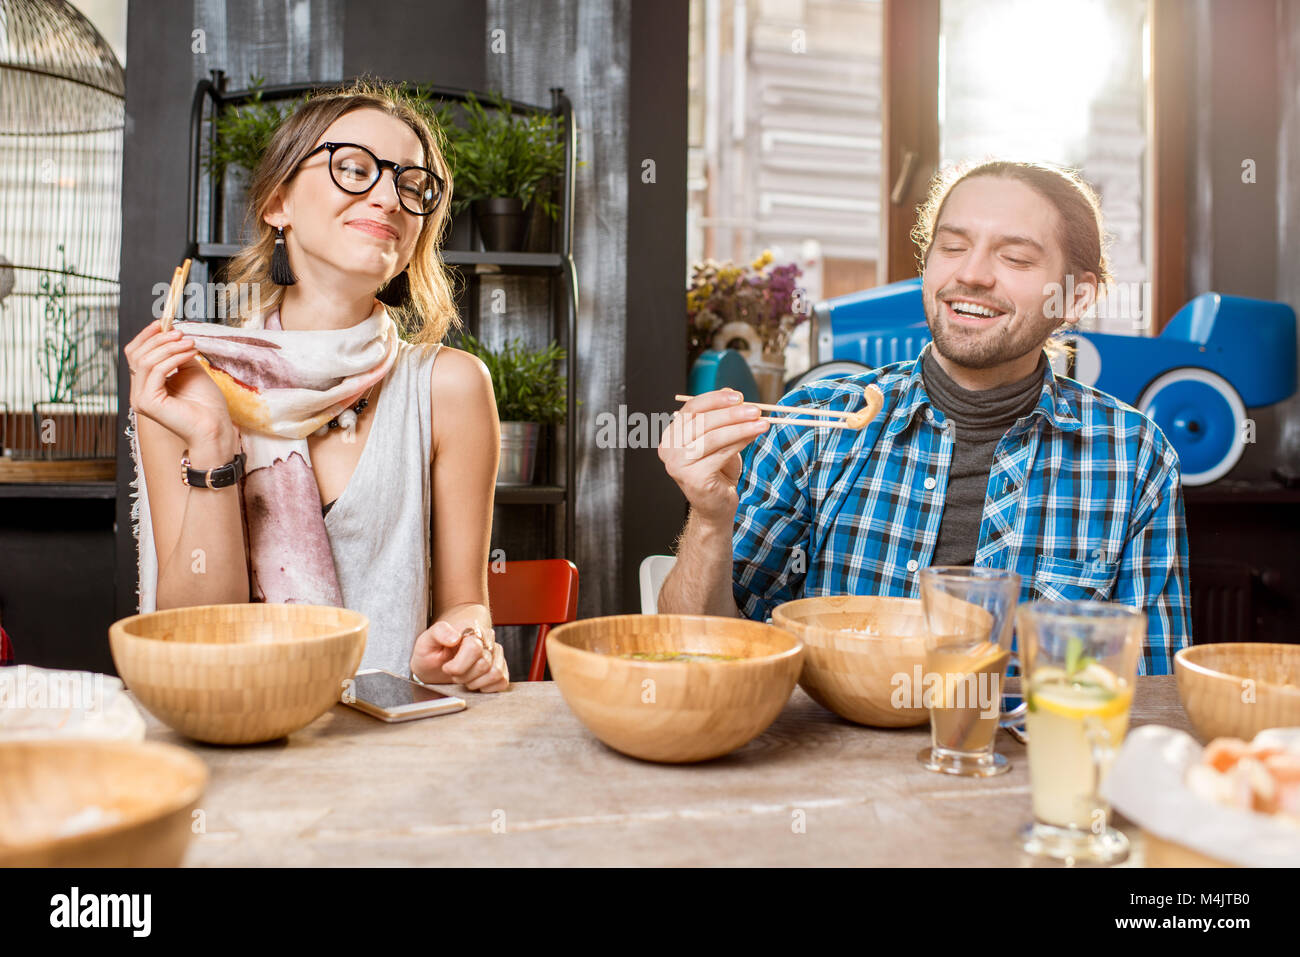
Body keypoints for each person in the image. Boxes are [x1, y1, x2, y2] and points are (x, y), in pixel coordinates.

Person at [659, 160, 1191, 675]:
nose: (971, 274)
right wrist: (709, 519)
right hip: (829, 760)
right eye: (953, 247)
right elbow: (701, 649)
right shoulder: (816, 424)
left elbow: (1149, 692)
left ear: (1077, 297)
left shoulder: (1134, 456)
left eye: (1015, 258)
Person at [124, 80, 508, 692]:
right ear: (279, 203)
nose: (388, 197)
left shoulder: (450, 387)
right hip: (234, 738)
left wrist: (465, 645)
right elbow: (194, 628)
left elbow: (466, 604)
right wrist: (215, 445)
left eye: (413, 187)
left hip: (386, 749)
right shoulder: (187, 382)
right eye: (355, 169)